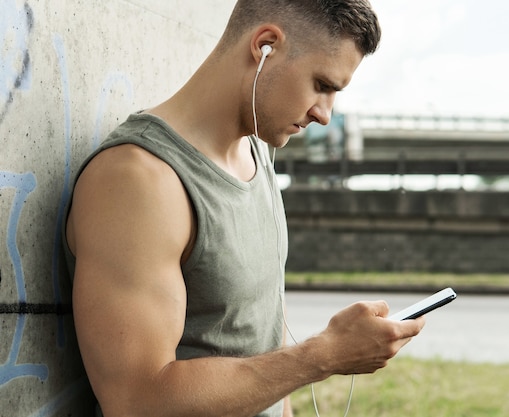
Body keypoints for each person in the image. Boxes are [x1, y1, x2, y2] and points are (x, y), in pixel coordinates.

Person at [63, 1, 425, 416]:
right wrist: (323, 355)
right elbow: (138, 401)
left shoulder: (257, 153)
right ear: (265, 45)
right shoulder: (138, 181)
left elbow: (263, 337)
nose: (324, 115)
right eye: (321, 85)